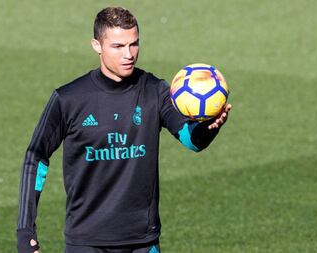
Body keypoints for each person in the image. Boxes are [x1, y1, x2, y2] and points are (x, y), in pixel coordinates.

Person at [17, 6, 231, 253]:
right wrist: (26, 231)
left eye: (134, 44)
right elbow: (36, 157)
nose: (129, 54)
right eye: (118, 46)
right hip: (87, 242)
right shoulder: (69, 99)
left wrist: (210, 127)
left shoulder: (155, 90)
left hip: (143, 242)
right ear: (97, 45)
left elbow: (192, 140)